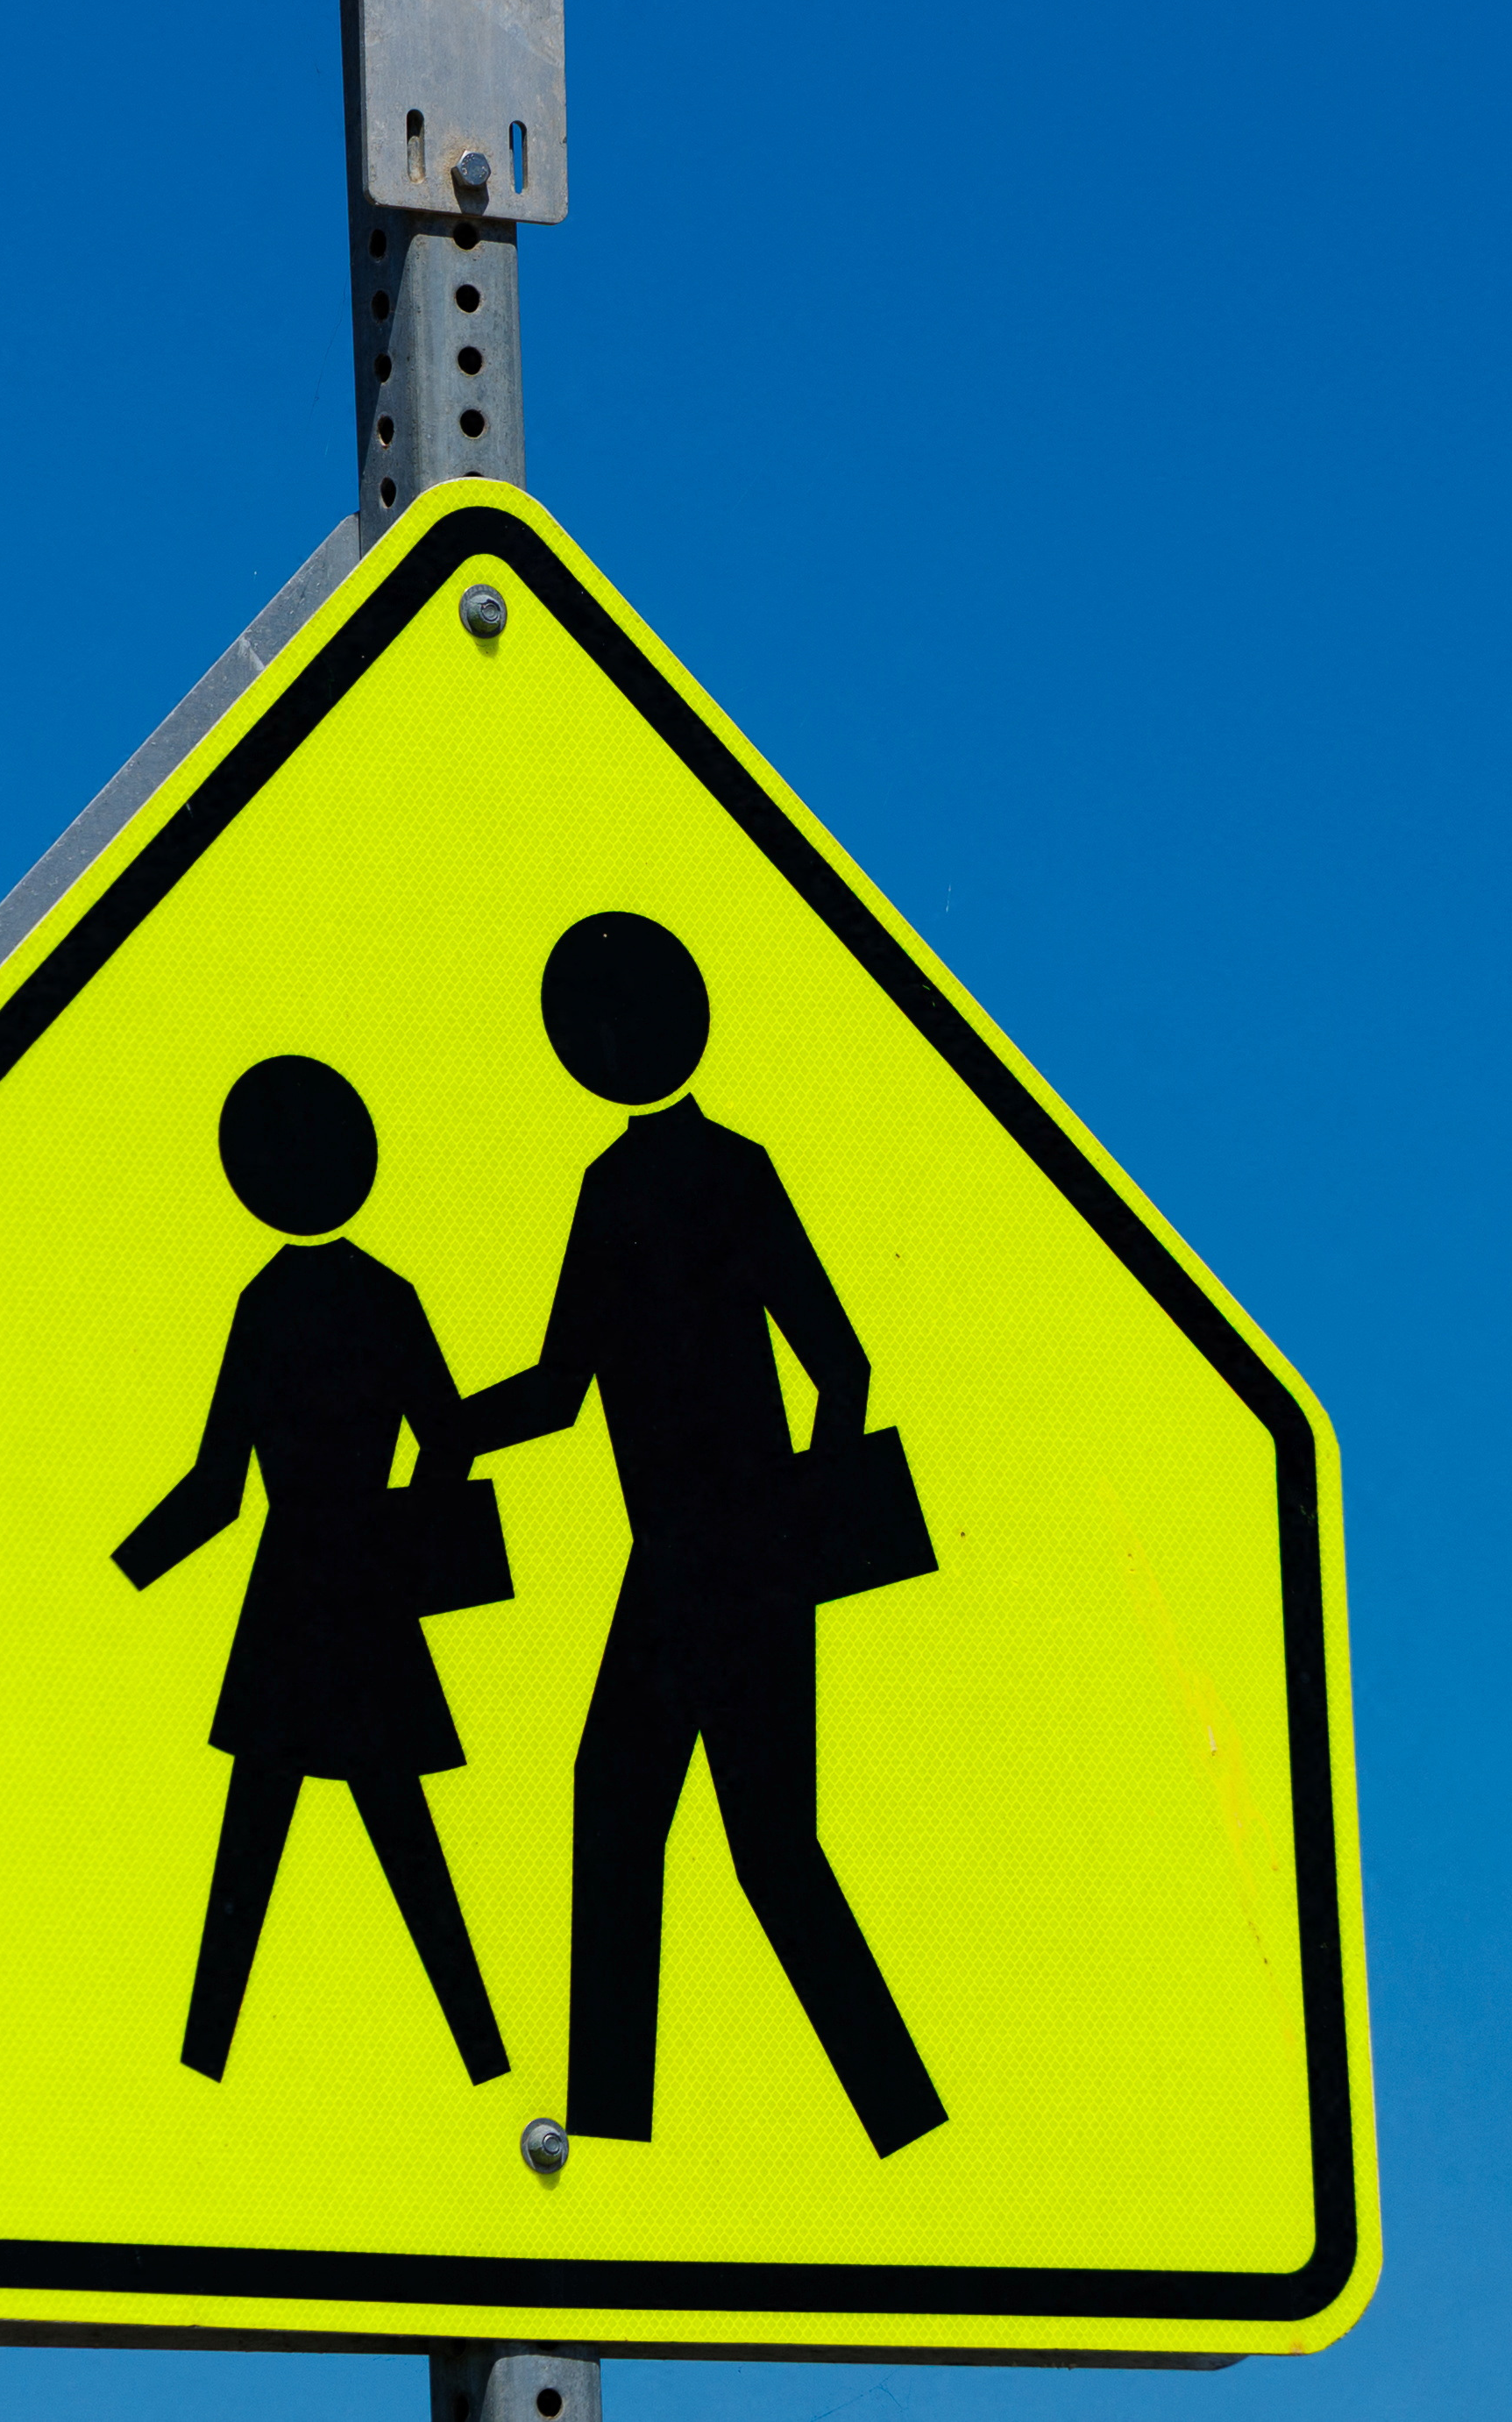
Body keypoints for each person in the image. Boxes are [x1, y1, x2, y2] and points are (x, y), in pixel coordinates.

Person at [457, 914, 946, 2155]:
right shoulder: (665, 1178)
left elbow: (826, 1360)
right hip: (704, 1562)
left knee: (713, 1836)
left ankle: (883, 2121)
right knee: (685, 1826)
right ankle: (643, 2134)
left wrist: (800, 1528)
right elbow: (579, 1386)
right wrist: (455, 1427)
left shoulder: (681, 1179)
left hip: (714, 1561)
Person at [113, 1054, 509, 2086]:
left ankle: (204, 2061)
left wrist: (128, 1571)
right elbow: (450, 1436)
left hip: (295, 1595)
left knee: (258, 1846)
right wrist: (405, 1534)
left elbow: (218, 1487)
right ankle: (483, 2056)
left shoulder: (267, 1302)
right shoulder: (388, 1294)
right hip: (365, 1589)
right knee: (396, 1836)